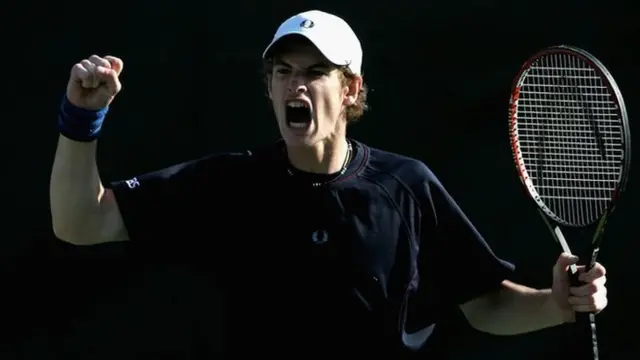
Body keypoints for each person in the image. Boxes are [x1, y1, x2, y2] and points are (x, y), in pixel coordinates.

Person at [50, 9, 608, 357]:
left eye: (316, 72)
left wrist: (556, 304)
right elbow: (82, 221)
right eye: (283, 72)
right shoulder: (228, 184)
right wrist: (81, 118)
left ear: (349, 90)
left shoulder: (406, 186)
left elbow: (484, 304)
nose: (296, 84)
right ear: (269, 88)